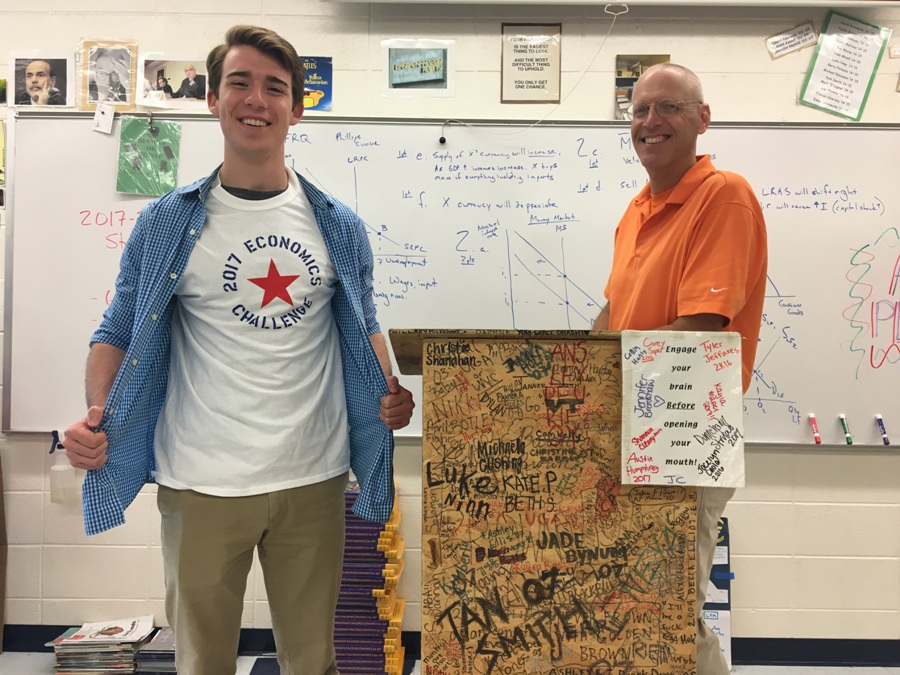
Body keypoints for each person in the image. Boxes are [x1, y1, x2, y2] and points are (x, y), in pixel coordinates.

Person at [62, 24, 415, 675]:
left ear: (296, 107)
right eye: (241, 83)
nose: (257, 98)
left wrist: (388, 393)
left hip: (314, 479)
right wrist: (94, 411)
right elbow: (115, 331)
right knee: (202, 662)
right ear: (214, 100)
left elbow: (363, 325)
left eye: (275, 87)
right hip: (200, 485)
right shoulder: (167, 221)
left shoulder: (337, 225)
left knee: (314, 660)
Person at [593, 63, 767, 675]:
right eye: (639, 111)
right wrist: (562, 369)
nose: (649, 123)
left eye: (667, 108)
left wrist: (597, 369)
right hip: (636, 428)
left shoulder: (724, 196)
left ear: (701, 118)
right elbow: (613, 313)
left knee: (669, 606)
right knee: (636, 601)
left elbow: (701, 328)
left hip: (685, 430)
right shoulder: (639, 207)